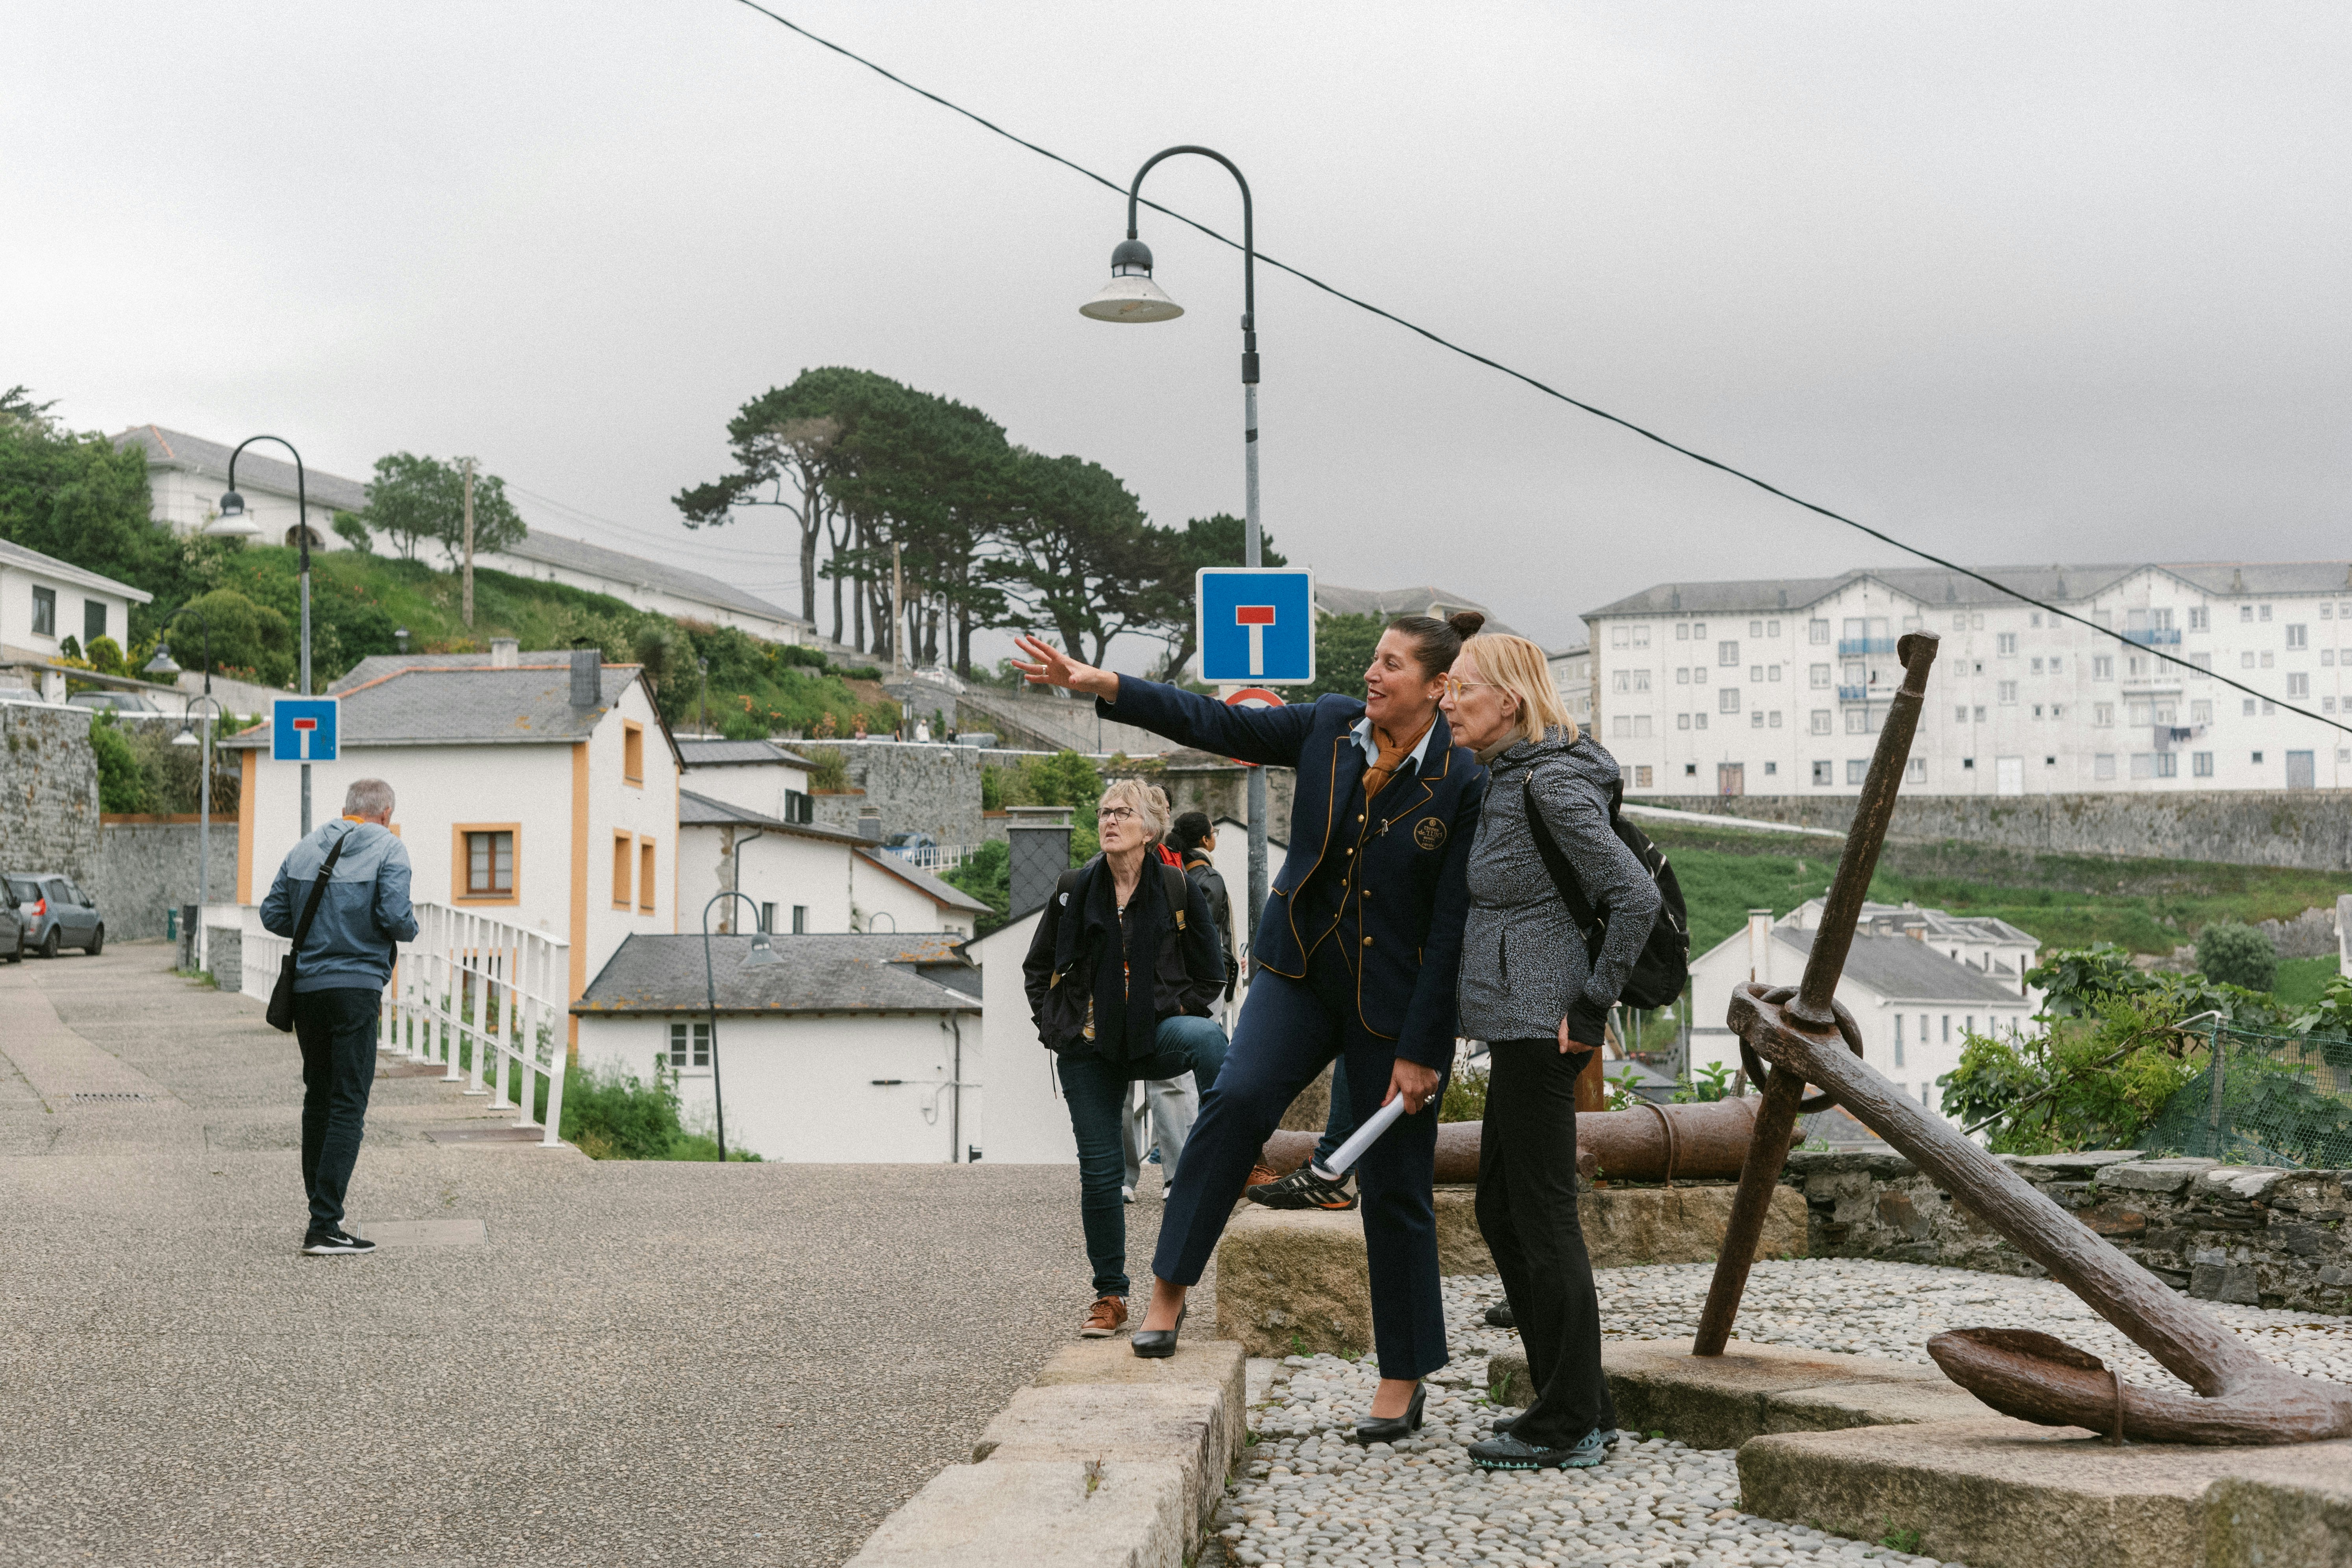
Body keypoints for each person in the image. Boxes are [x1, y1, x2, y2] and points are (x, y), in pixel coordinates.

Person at [1011, 612, 1485, 1438]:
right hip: (1298, 973)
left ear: (1438, 686)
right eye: (1374, 659)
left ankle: (1403, 1379)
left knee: (1399, 1189)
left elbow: (1451, 929)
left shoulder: (1462, 778)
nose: (1373, 675)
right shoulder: (1332, 726)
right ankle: (1168, 1292)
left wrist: (1424, 1048)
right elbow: (1215, 720)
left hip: (1395, 1007)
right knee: (1234, 1106)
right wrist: (1105, 685)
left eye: (1394, 665)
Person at [1439, 631, 1660, 1471]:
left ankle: (1569, 1422)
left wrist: (1594, 1002)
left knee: (1541, 1218)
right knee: (1503, 1211)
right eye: (1450, 688)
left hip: (1545, 1028)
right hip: (1517, 1025)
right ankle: (1579, 1405)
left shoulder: (1550, 783)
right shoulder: (1506, 775)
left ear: (1513, 703)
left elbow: (1632, 897)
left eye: (1464, 689)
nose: (1450, 701)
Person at [1023, 777, 1230, 1339]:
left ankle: (1237, 1150)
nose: (1110, 820)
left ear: (1150, 828)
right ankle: (1109, 1295)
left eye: (1123, 812)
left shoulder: (1177, 888)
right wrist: (1055, 1023)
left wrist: (1171, 1007)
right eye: (1104, 812)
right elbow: (1037, 969)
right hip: (1088, 1047)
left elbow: (1214, 974)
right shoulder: (1073, 889)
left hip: (1154, 1033)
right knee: (1101, 1173)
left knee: (1210, 1042)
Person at [260, 778, 419, 1256]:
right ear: (386, 813)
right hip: (356, 992)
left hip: (309, 990)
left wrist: (321, 931)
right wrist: (403, 929)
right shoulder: (390, 849)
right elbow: (397, 920)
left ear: (345, 809)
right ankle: (325, 1224)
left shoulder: (305, 849)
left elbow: (273, 915)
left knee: (320, 1099)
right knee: (349, 1103)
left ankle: (322, 1211)